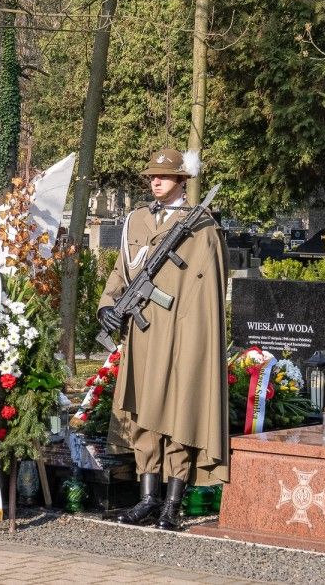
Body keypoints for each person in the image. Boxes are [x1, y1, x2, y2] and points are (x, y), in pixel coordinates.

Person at [97, 148, 229, 530]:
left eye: (164, 176)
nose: (155, 181)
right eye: (151, 176)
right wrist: (108, 305)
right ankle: (147, 498)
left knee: (179, 414)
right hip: (143, 334)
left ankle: (173, 503)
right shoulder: (136, 220)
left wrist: (195, 338)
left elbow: (208, 293)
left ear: (182, 181)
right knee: (142, 414)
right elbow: (122, 271)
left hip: (183, 337)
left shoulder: (200, 227)